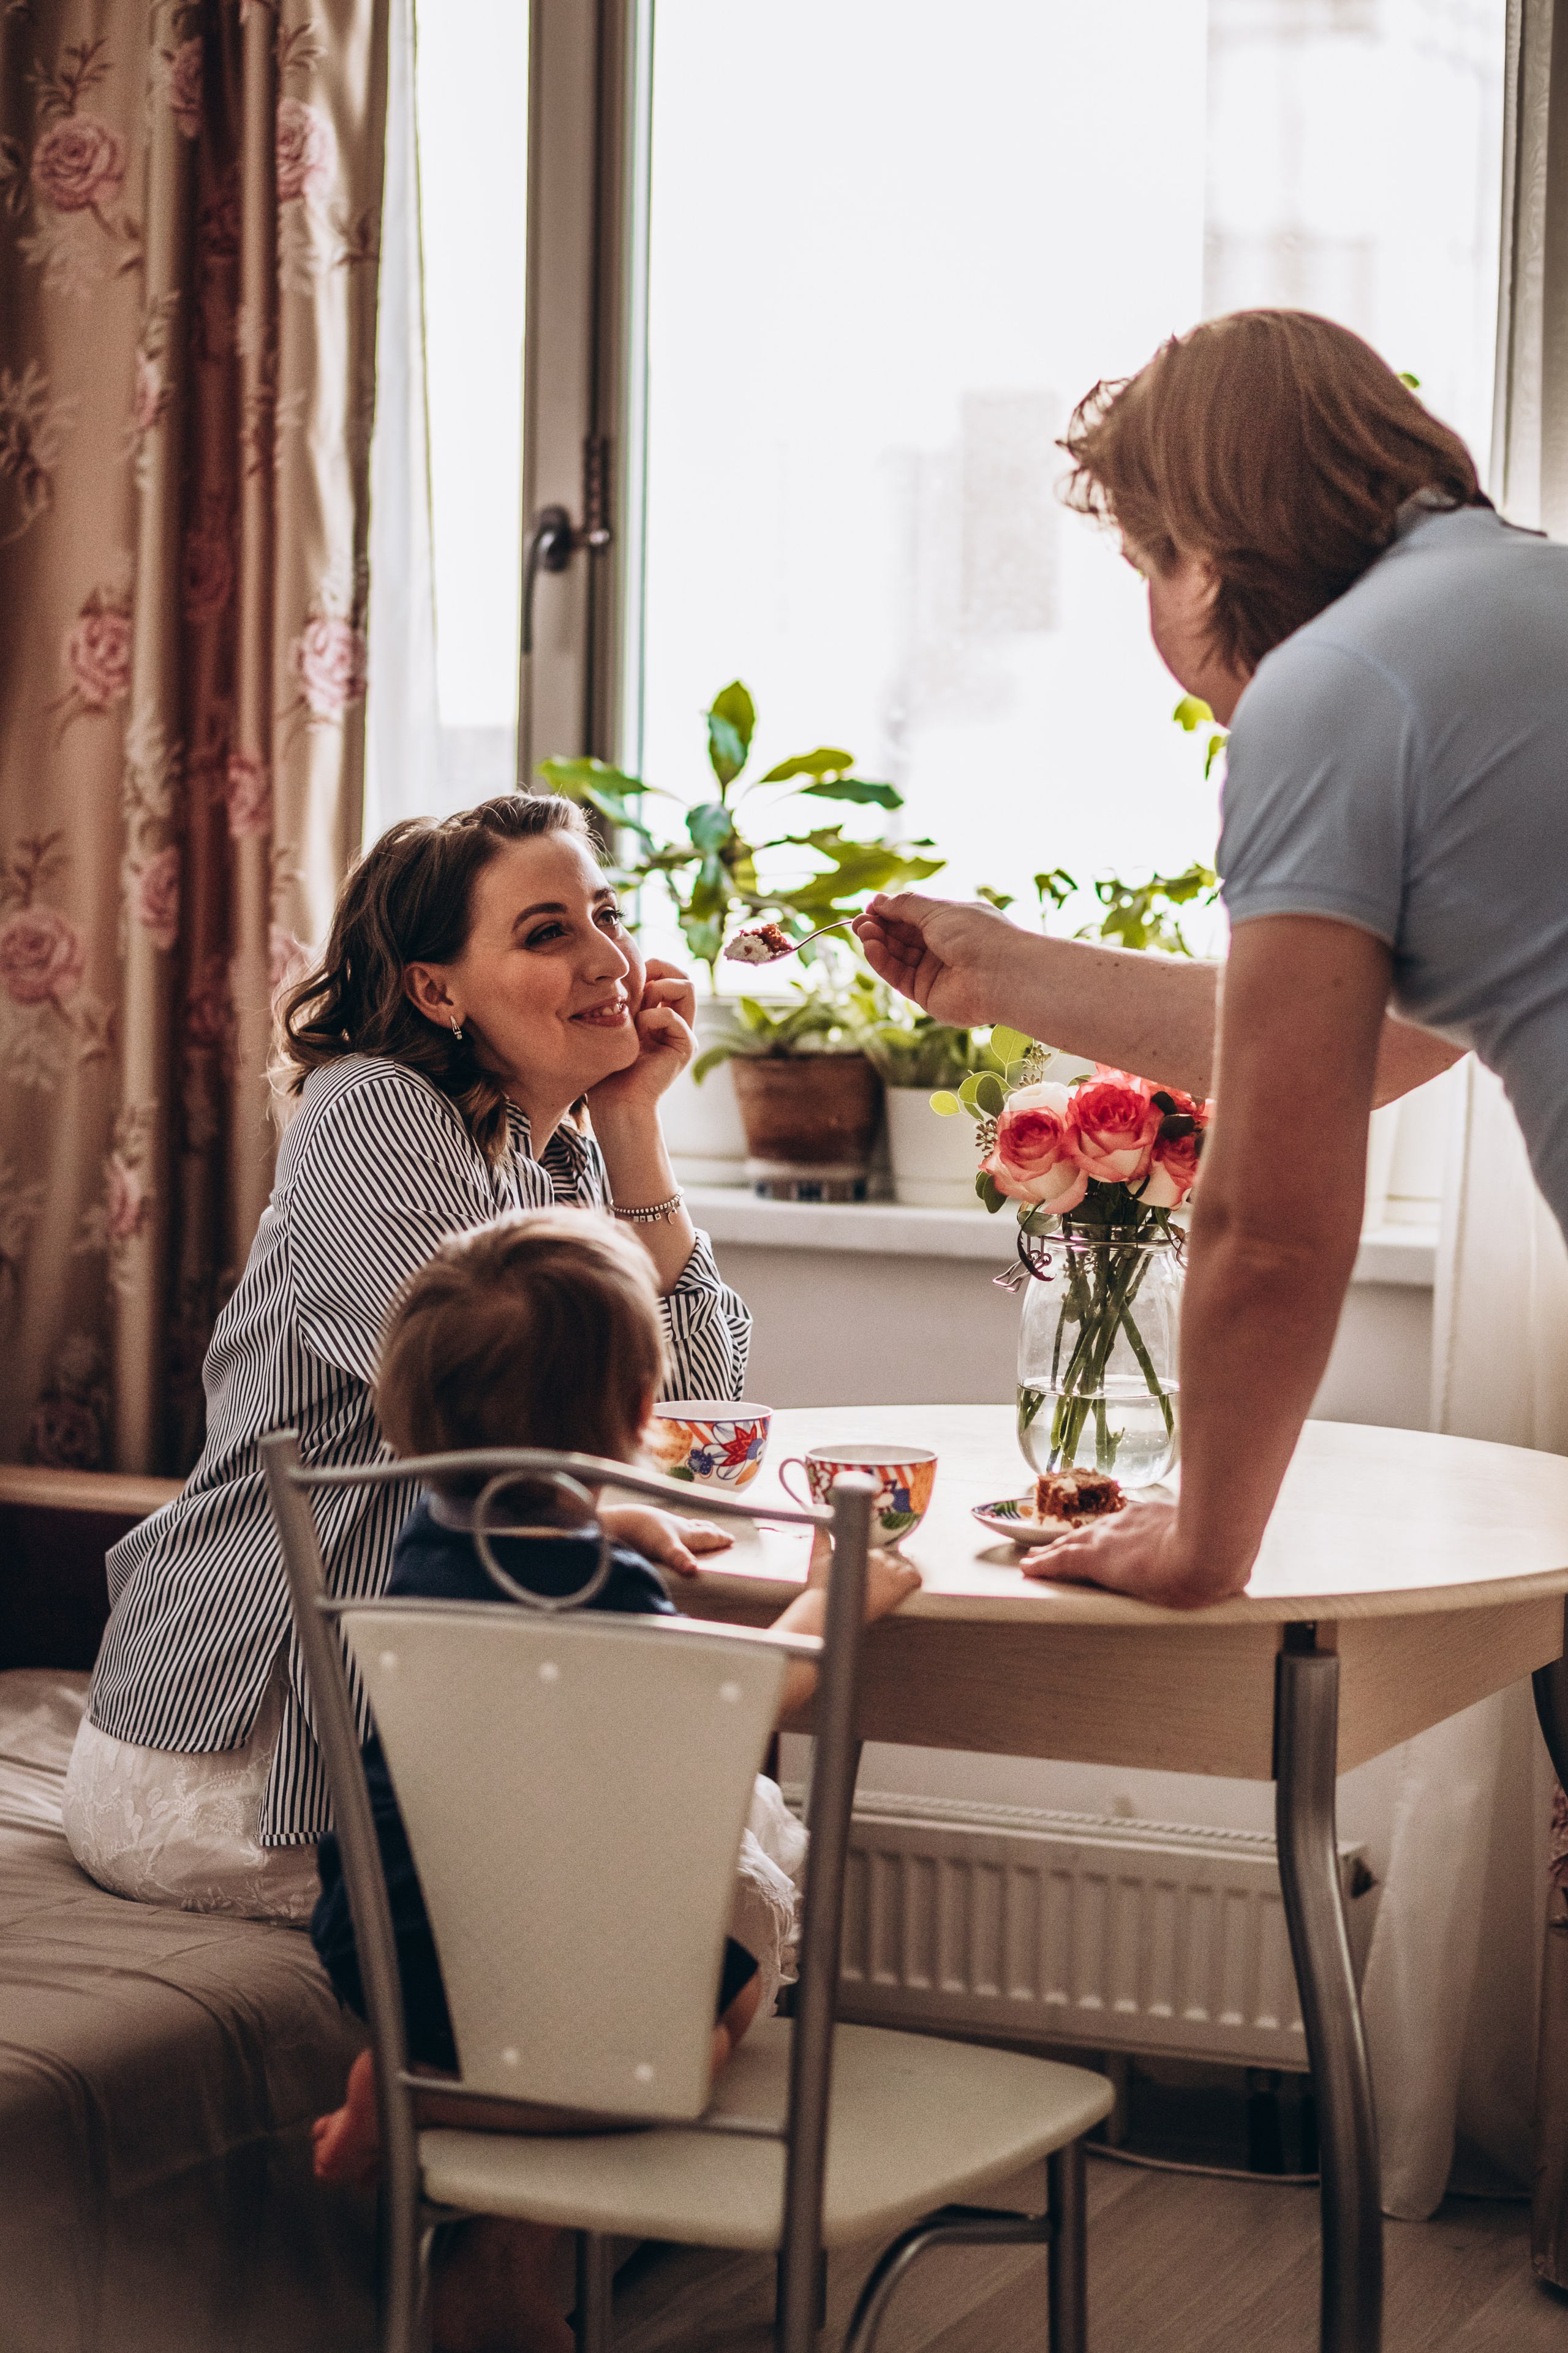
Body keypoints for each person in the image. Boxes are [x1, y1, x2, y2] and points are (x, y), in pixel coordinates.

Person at [856, 308, 1568, 1608]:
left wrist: (1201, 1543)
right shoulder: (1521, 617)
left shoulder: (1335, 685)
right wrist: (1005, 974)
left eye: (1141, 563)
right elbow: (1361, 1052)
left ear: (1206, 544)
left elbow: (1274, 1221)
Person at [64, 793, 752, 1919]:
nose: (611, 960)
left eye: (607, 916)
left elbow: (690, 1427)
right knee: (705, 1890)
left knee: (713, 1875)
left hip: (419, 1705)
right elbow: (539, 1424)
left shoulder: (563, 1167)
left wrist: (632, 1126)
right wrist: (615, 1502)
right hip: (244, 1745)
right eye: (548, 932)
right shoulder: (374, 1111)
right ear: (438, 989)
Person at [309, 1207, 921, 2353]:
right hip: (546, 1959)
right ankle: (419, 2095)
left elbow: (524, 1556)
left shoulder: (428, 1541)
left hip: (389, 1939)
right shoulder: (597, 1591)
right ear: (640, 1416)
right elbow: (735, 1703)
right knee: (711, 2003)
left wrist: (605, 1520)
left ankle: (423, 2082)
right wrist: (837, 1609)